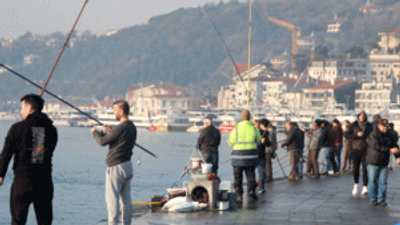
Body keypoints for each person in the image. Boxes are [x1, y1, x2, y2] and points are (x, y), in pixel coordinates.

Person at [0, 94, 58, 225]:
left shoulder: (17, 128)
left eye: (22, 108)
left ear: (30, 108)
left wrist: (1, 174)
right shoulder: (52, 129)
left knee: (18, 221)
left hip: (23, 181)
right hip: (44, 182)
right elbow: (40, 153)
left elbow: (6, 153)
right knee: (44, 221)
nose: (21, 112)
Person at [91, 100, 137, 225]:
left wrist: (95, 132)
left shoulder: (120, 128)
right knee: (126, 201)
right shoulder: (132, 127)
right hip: (128, 165)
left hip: (116, 168)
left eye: (115, 110)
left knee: (112, 201)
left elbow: (102, 141)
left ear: (121, 112)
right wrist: (112, 131)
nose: (114, 112)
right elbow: (120, 138)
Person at [228, 110, 261, 202]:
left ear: (241, 118)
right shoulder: (254, 129)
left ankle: (239, 194)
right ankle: (251, 191)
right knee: (250, 174)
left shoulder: (236, 129)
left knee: (237, 176)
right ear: (250, 118)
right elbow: (258, 141)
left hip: (238, 157)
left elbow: (231, 142)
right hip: (251, 156)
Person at [366, 119, 400, 206]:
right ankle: (373, 199)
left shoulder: (390, 134)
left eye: (386, 126)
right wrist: (390, 150)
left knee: (383, 181)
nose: (385, 128)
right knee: (372, 181)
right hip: (373, 161)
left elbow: (394, 145)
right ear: (379, 125)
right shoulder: (373, 134)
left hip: (384, 161)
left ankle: (382, 200)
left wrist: (398, 157)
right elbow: (377, 146)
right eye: (384, 126)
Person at [344, 110, 373, 196]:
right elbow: (346, 135)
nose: (362, 117)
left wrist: (369, 139)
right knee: (355, 168)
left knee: (365, 168)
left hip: (366, 149)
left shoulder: (369, 125)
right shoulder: (354, 125)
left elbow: (372, 135)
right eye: (360, 115)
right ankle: (356, 184)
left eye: (364, 116)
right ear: (358, 116)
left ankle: (365, 187)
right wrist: (356, 134)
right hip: (355, 149)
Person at [256, 118, 272, 194]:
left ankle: (260, 187)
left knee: (261, 171)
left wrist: (263, 142)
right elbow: (269, 143)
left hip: (258, 154)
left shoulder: (259, 132)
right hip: (261, 154)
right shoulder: (266, 133)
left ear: (262, 124)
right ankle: (261, 187)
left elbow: (267, 143)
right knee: (262, 171)